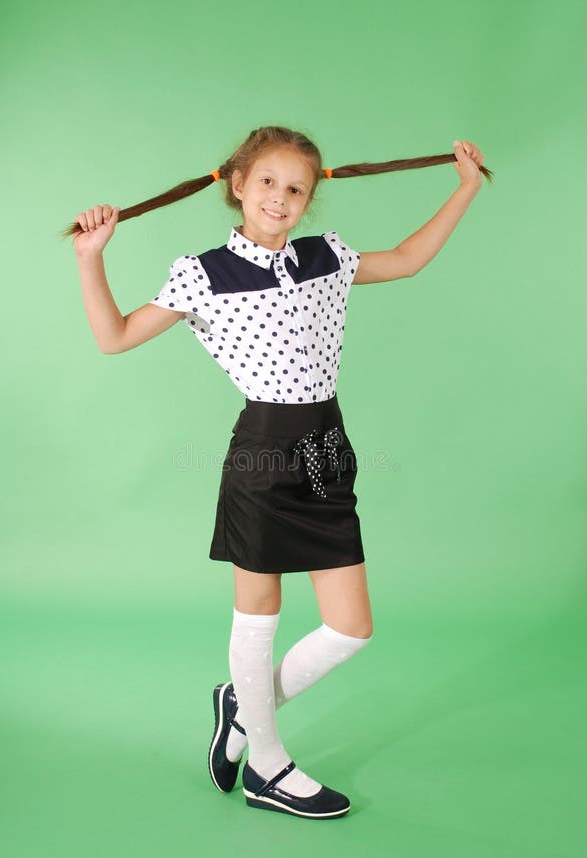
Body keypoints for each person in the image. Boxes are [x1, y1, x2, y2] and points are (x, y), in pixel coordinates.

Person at [68, 125, 489, 820]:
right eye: (266, 182)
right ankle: (266, 765)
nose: (279, 197)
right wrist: (90, 259)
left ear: (311, 197)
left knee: (351, 629)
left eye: (296, 188)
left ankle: (243, 700)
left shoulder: (328, 257)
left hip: (327, 443)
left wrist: (466, 187)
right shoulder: (202, 273)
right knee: (258, 612)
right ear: (236, 184)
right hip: (263, 450)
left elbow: (409, 259)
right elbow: (113, 338)